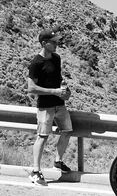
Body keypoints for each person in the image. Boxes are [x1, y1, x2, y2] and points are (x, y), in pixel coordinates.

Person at [27, 29, 72, 186]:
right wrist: (54, 91)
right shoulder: (36, 63)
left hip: (60, 105)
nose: (56, 44)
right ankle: (35, 171)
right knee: (42, 137)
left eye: (57, 41)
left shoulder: (56, 58)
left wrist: (66, 91)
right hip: (45, 107)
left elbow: (58, 79)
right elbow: (31, 89)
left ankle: (58, 161)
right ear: (44, 43)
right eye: (53, 42)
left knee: (67, 132)